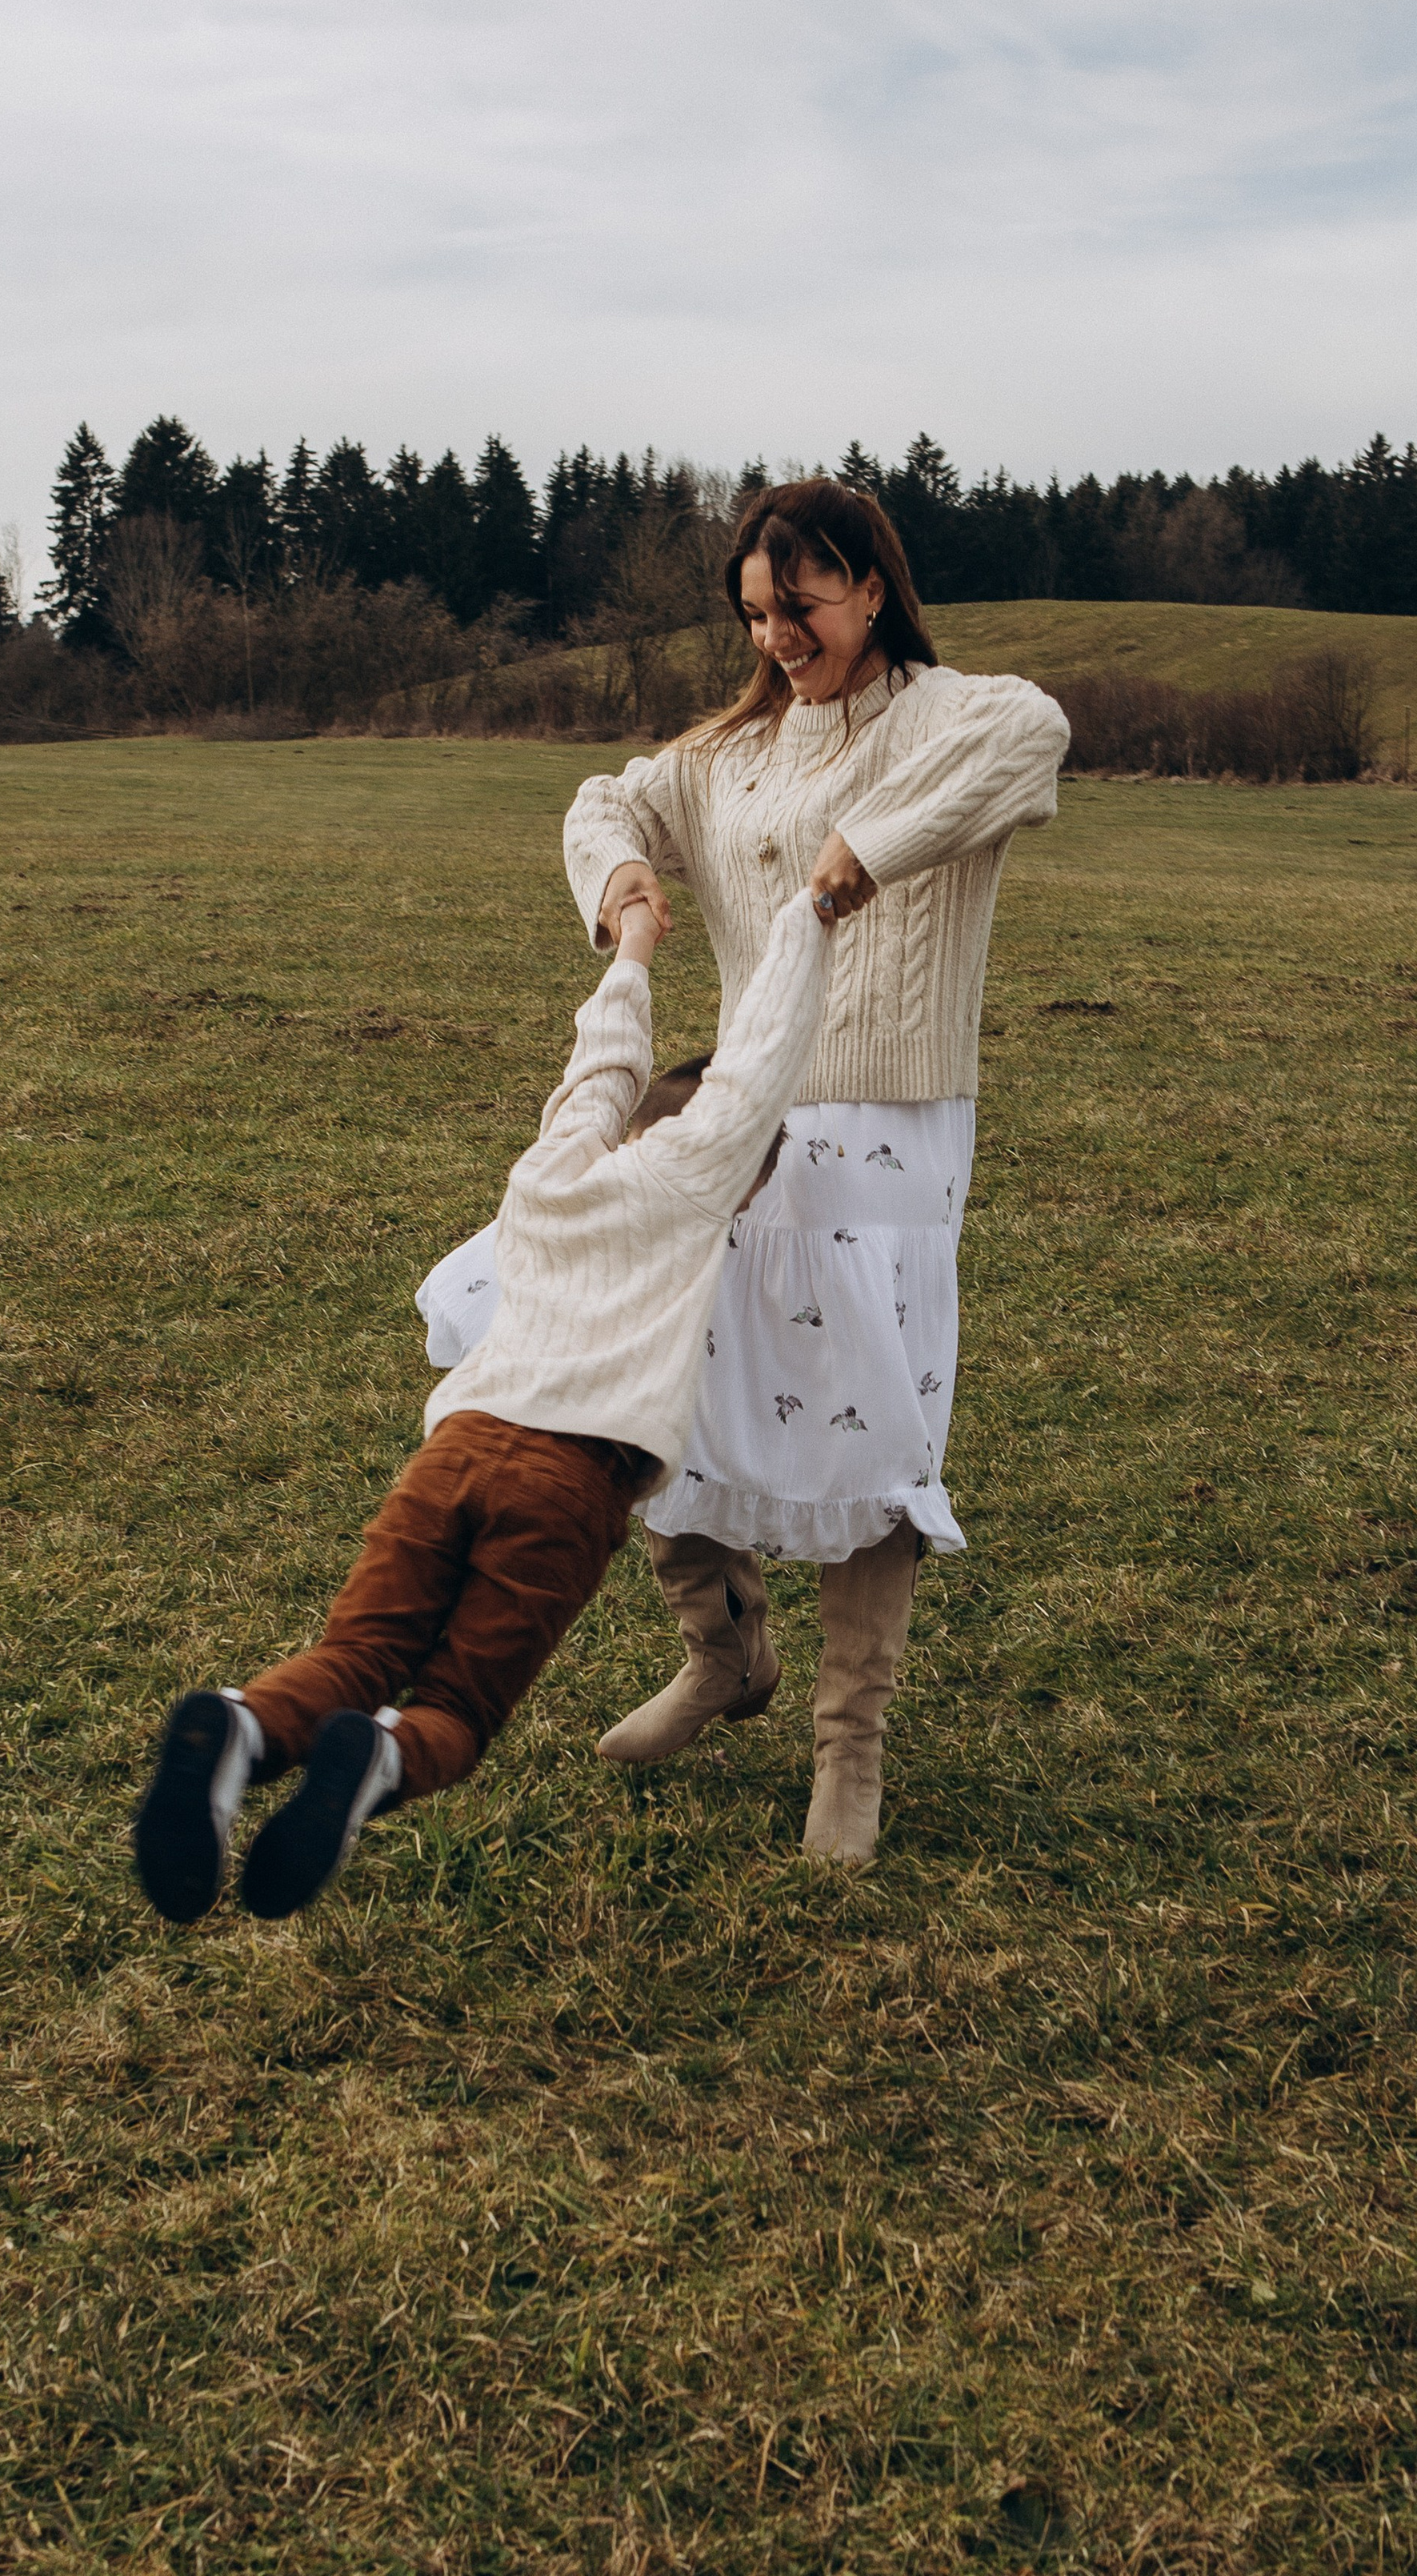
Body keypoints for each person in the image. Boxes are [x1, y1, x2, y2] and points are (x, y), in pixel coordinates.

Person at [433, 476, 1071, 1867]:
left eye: (803, 605)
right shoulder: (731, 751)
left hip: (890, 1132)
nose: (779, 635)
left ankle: (853, 1747)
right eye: (758, 613)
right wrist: (622, 888)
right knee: (612, 1326)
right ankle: (723, 1652)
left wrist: (870, 852)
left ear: (873, 587)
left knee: (857, 1406)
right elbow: (606, 797)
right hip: (749, 1104)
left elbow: (1039, 732)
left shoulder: (951, 716)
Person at [132, 882, 836, 1926]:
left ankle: (238, 1727)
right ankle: (375, 1759)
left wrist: (635, 945)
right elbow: (765, 1053)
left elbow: (600, 1063)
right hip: (568, 1481)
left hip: (455, 1450)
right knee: (455, 1706)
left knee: (354, 1654)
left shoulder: (550, 1171)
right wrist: (811, 913)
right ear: (736, 1173)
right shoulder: (699, 1190)